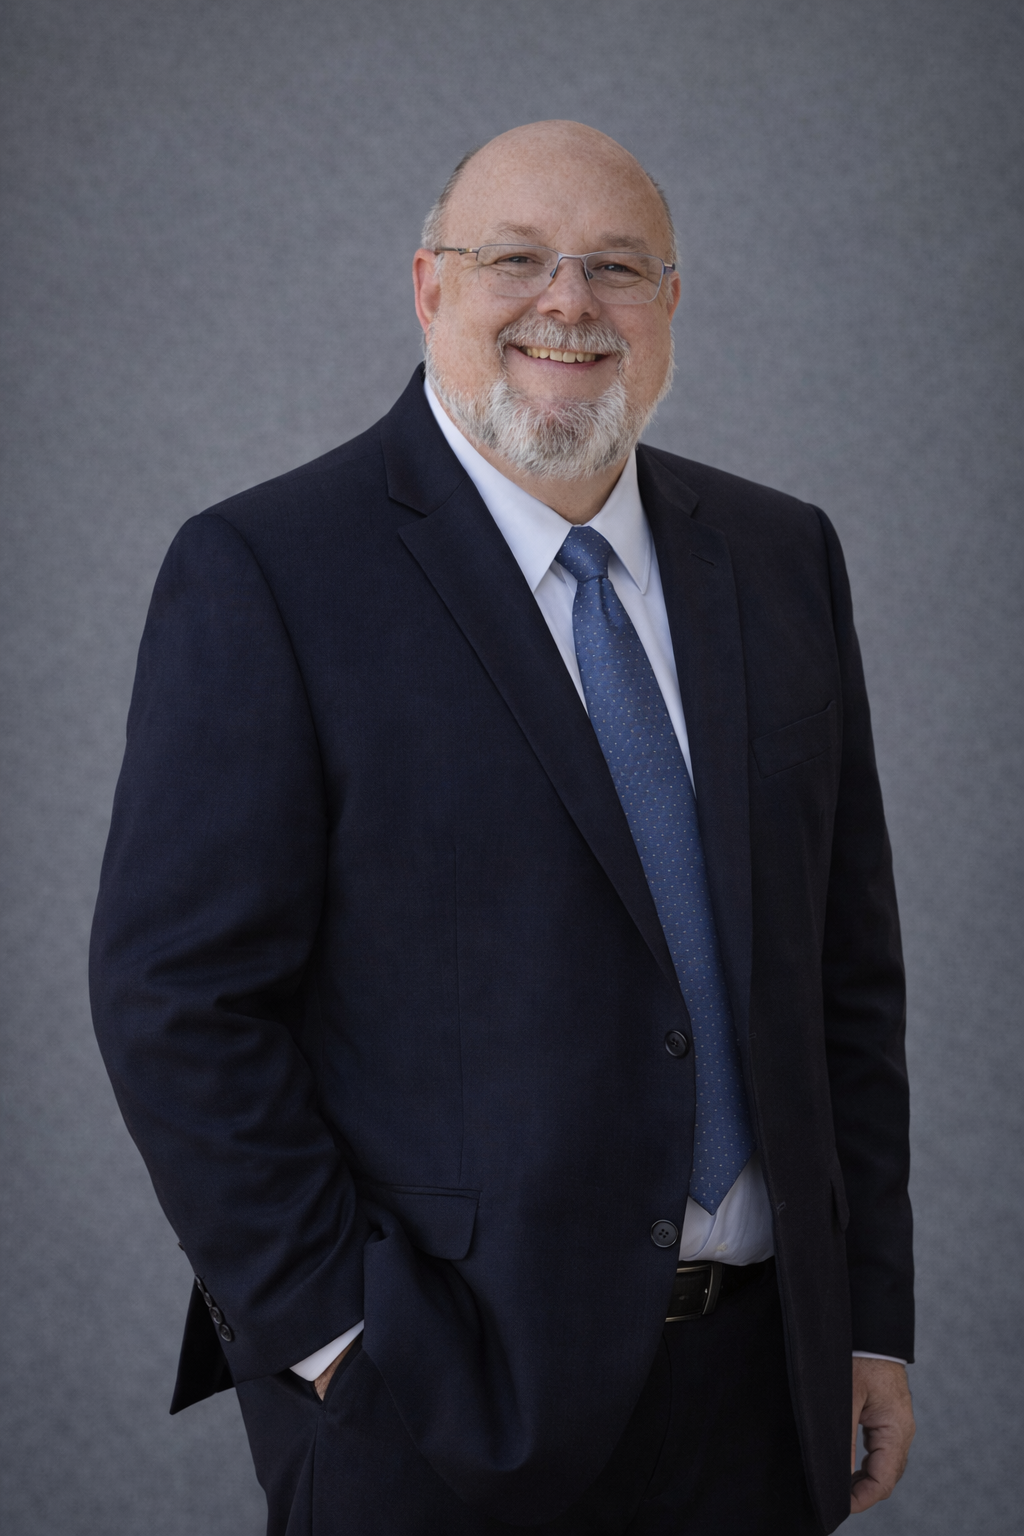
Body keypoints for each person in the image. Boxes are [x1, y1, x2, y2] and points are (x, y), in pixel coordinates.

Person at [90, 120, 915, 1534]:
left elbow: (842, 975)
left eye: (616, 268)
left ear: (669, 307)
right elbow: (176, 1000)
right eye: (515, 260)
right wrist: (340, 1339)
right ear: (428, 290)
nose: (568, 302)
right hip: (435, 1406)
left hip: (762, 1392)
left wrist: (869, 1317)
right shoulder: (272, 571)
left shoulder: (782, 559)